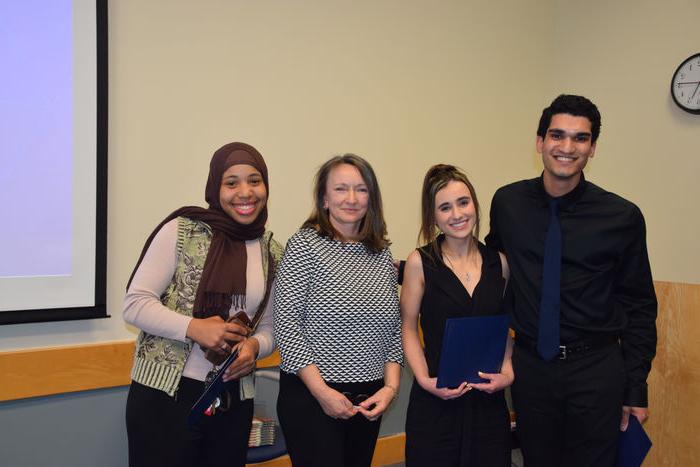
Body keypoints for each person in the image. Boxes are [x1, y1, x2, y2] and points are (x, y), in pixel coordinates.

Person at [485, 94, 657, 467]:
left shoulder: (622, 216)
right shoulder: (508, 203)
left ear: (593, 147)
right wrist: (421, 267)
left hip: (596, 369)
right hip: (531, 368)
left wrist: (636, 387)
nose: (567, 147)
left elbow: (640, 305)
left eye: (580, 138)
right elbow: (490, 267)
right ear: (539, 141)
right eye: (557, 135)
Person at [123, 142, 282, 467]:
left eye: (254, 180)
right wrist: (194, 328)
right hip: (164, 397)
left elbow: (270, 328)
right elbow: (135, 304)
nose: (245, 192)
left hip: (232, 399)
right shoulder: (181, 231)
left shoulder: (272, 251)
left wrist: (254, 347)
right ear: (215, 187)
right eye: (231, 182)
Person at [273, 154, 403, 467]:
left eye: (361, 189)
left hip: (369, 400)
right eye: (341, 189)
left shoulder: (381, 253)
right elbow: (286, 323)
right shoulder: (304, 245)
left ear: (371, 199)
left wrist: (391, 388)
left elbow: (393, 328)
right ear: (324, 199)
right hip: (312, 398)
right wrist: (322, 392)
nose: (352, 198)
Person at [401, 164, 514, 467]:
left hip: (487, 403)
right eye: (445, 208)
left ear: (475, 203)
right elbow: (408, 328)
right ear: (433, 216)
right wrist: (424, 379)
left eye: (463, 202)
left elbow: (502, 329)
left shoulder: (499, 263)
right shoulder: (419, 262)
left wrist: (507, 371)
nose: (457, 214)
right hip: (437, 398)